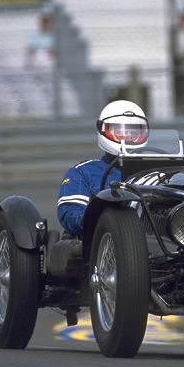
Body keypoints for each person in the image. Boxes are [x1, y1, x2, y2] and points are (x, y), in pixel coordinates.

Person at [56, 99, 149, 325]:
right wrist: (102, 222)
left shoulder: (161, 173)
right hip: (101, 246)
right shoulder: (84, 172)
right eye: (119, 131)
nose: (127, 137)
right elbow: (70, 215)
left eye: (133, 132)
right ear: (104, 131)